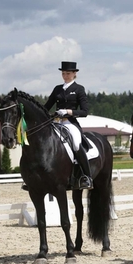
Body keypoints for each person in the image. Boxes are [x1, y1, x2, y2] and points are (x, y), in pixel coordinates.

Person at [44, 61, 93, 190]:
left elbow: (84, 111)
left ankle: (86, 177)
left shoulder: (79, 89)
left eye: (68, 73)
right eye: (63, 73)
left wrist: (69, 112)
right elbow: (46, 107)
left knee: (76, 144)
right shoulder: (57, 89)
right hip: (56, 122)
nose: (65, 76)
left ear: (74, 74)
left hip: (69, 122)